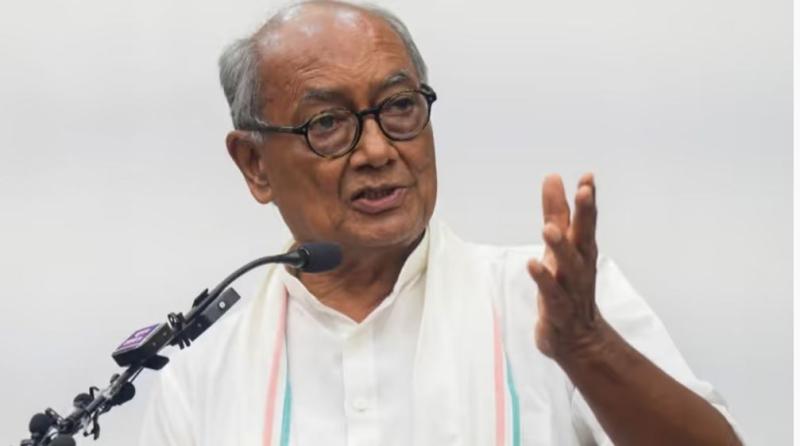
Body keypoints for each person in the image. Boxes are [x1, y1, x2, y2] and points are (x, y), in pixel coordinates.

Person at [140, 1, 743, 445]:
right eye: (327, 123)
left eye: (400, 107)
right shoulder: (202, 382)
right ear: (255, 165)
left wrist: (589, 350)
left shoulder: (551, 304)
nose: (378, 149)